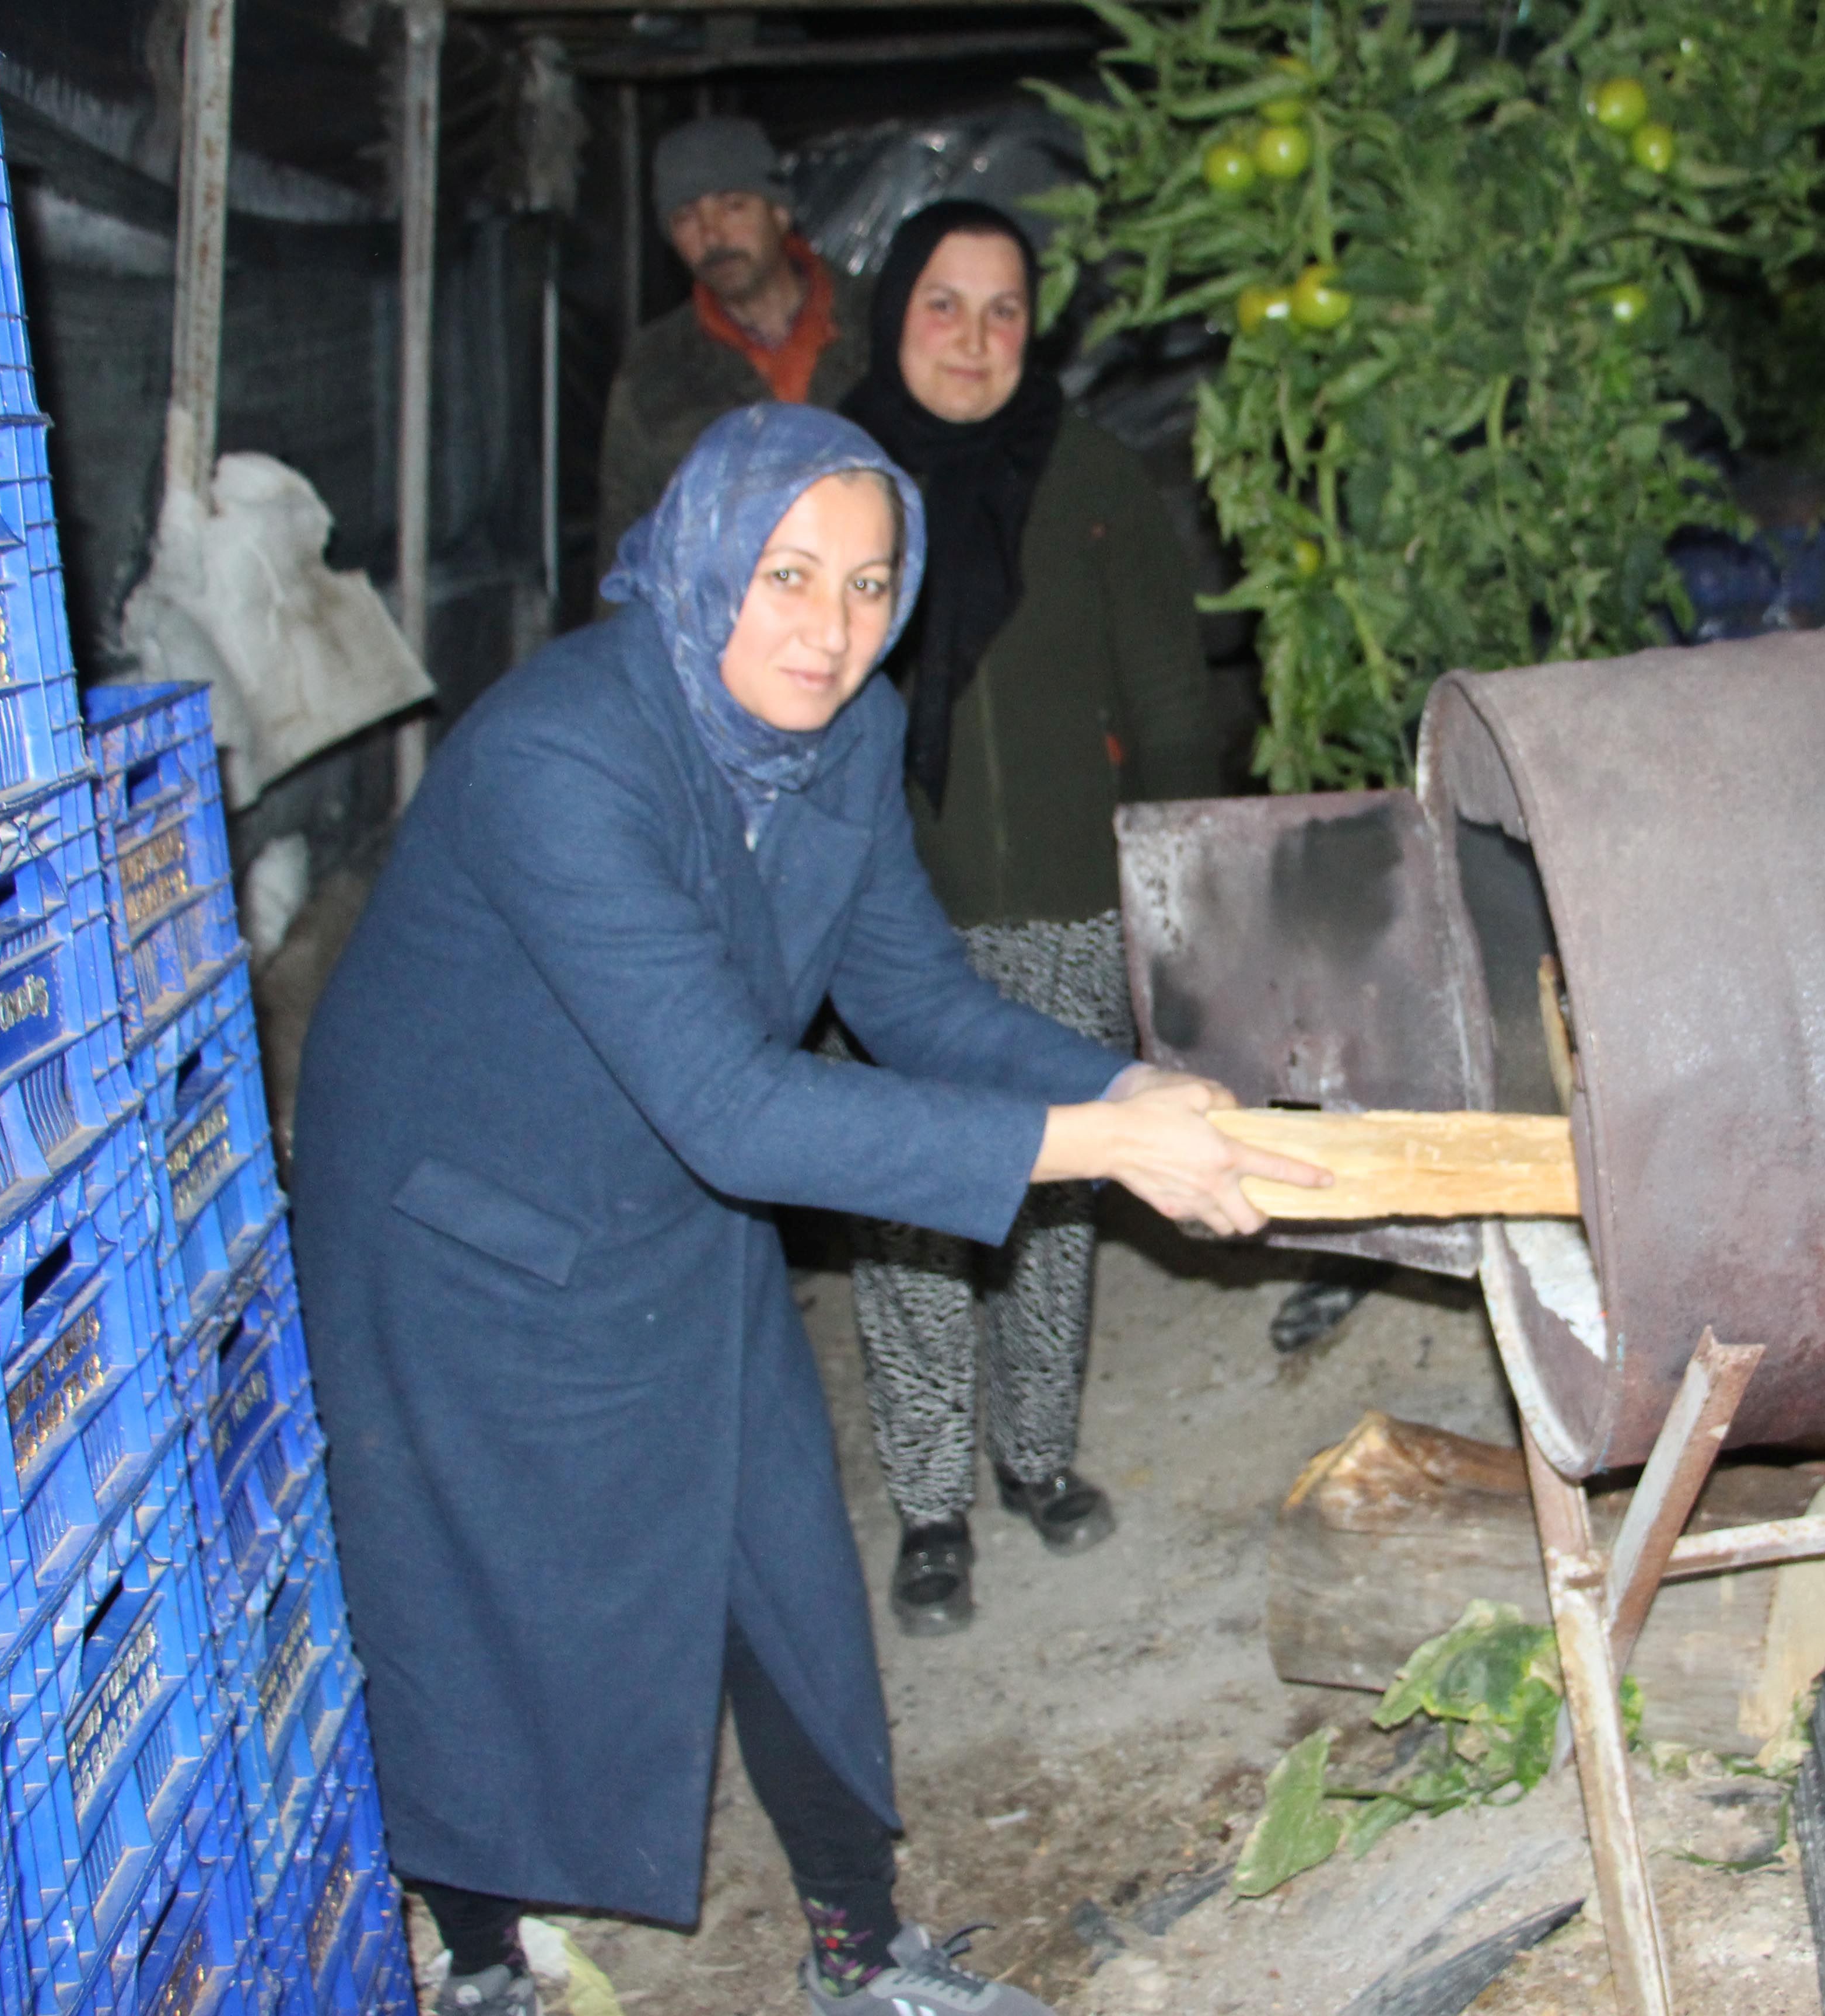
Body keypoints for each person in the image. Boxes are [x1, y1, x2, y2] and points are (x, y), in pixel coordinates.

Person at [290, 404, 1323, 2016]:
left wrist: (1118, 1092)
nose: (829, 630)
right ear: (703, 562)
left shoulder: (842, 737)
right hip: (462, 1224)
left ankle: (862, 1943)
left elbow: (911, 992)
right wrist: (1085, 1149)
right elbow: (731, 1103)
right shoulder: (562, 755)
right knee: (492, 1590)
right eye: (787, 576)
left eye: (866, 584)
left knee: (774, 1541)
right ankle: (478, 1951)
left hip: (661, 1179)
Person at [831, 200, 1224, 1633]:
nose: (976, 339)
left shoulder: (1092, 470)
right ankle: (931, 1502)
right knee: (910, 1218)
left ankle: (1035, 1458)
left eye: (1005, 311)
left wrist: (1175, 904)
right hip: (889, 916)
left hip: (1066, 902)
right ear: (893, 313)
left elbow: (1173, 699)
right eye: (945, 304)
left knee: (1058, 1203)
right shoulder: (830, 480)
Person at [597, 116, 869, 564]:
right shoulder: (655, 369)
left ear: (780, 213)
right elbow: (626, 547)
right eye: (686, 218)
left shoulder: (885, 324)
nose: (712, 236)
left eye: (733, 206)